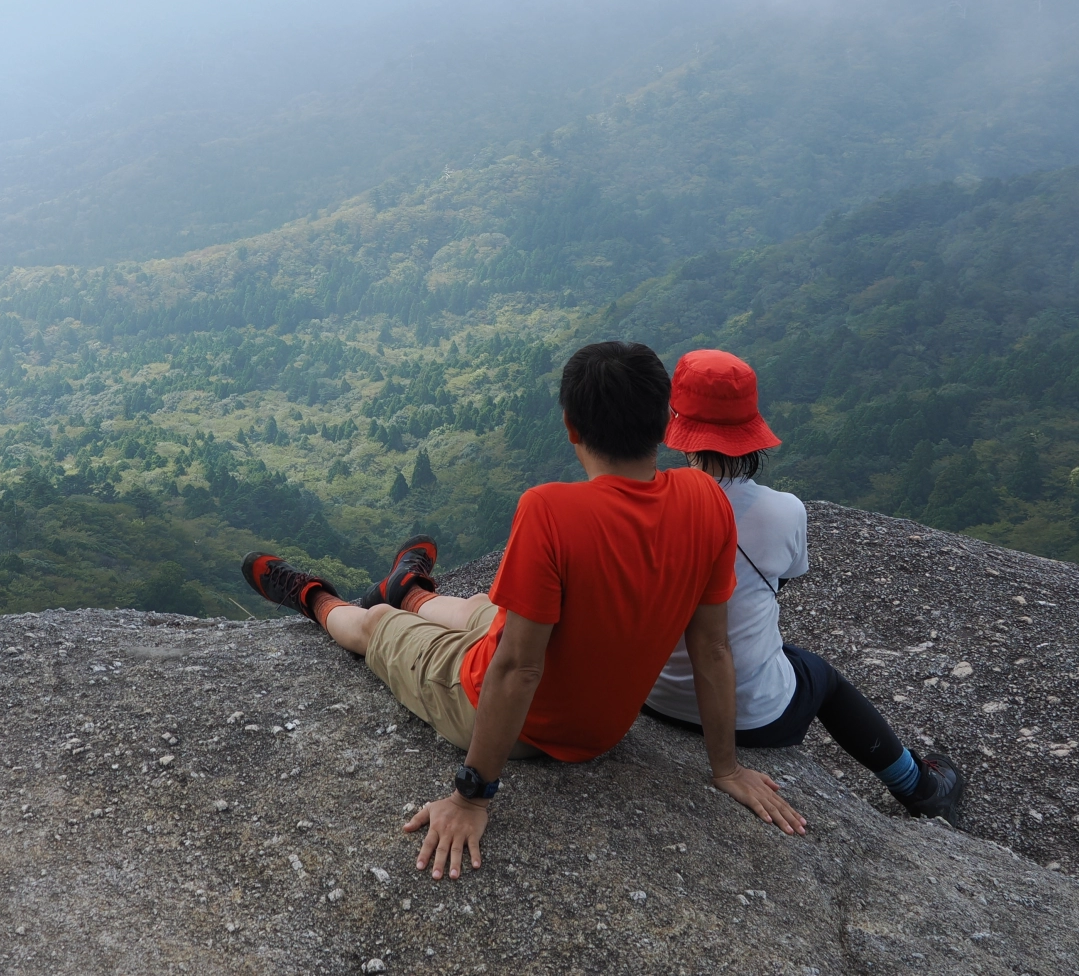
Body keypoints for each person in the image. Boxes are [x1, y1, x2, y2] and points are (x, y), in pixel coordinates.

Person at [239, 339, 806, 882]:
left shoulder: (551, 510)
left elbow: (518, 669)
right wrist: (725, 769)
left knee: (378, 626)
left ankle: (314, 597)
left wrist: (470, 796)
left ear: (570, 427)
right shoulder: (707, 499)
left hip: (519, 722)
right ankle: (409, 587)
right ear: (664, 426)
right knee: (486, 609)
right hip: (605, 727)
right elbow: (712, 645)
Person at [641, 348, 965, 825]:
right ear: (751, 429)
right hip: (751, 719)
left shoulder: (644, 501)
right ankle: (919, 786)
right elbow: (786, 576)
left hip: (652, 698)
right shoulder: (784, 511)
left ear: (677, 424)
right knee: (822, 678)